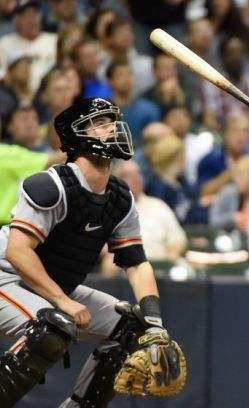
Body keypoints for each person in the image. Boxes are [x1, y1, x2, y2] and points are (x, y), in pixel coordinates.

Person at [0, 97, 174, 406]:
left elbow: (137, 264)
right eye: (100, 123)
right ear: (77, 136)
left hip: (50, 285)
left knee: (131, 327)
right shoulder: (50, 185)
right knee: (52, 329)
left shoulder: (120, 197)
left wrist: (155, 325)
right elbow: (18, 252)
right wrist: (63, 301)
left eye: (113, 120)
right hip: (7, 276)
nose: (113, 127)